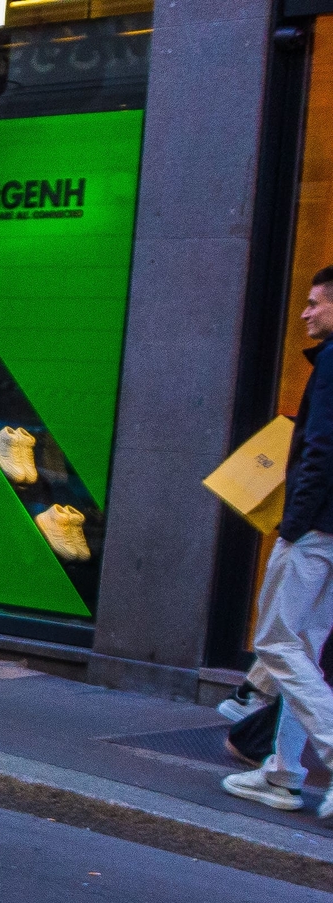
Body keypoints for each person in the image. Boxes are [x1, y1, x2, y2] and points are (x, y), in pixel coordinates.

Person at [225, 266, 333, 820]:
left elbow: (320, 450)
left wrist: (292, 526)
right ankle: (284, 774)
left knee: (278, 644)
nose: (305, 313)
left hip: (316, 532)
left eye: (316, 304)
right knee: (304, 651)